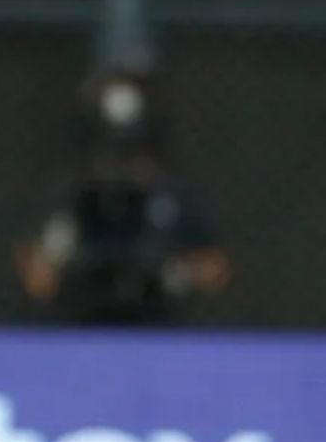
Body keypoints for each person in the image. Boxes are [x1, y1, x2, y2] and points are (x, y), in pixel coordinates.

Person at [15, 64, 230, 326]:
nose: (118, 166)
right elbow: (36, 278)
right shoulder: (71, 195)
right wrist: (67, 259)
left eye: (129, 150)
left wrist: (174, 270)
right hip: (79, 327)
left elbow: (216, 270)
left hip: (157, 326)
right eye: (109, 149)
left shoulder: (170, 195)